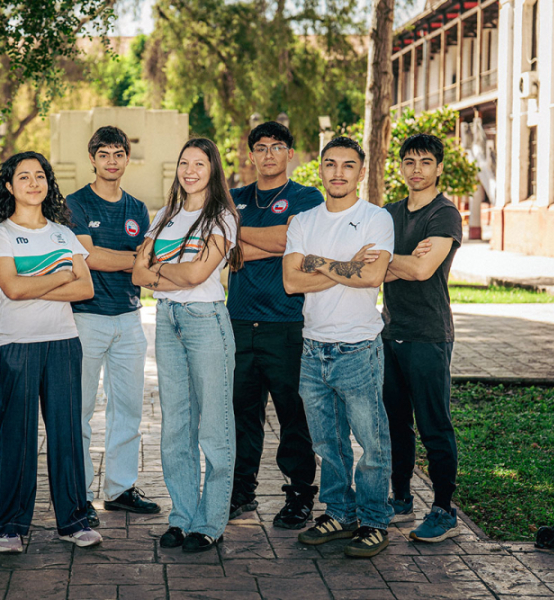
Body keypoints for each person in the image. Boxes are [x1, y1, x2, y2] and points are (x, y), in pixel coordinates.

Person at [0, 151, 102, 553]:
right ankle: (11, 526)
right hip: (17, 345)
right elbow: (12, 290)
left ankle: (73, 521)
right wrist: (61, 274)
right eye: (24, 177)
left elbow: (85, 289)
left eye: (40, 176)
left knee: (67, 434)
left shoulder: (63, 233)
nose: (33, 183)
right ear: (9, 185)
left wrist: (36, 278)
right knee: (16, 436)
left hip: (63, 343)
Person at [282, 136, 394, 558]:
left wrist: (317, 262)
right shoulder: (303, 221)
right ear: (321, 169)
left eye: (348, 165)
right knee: (327, 442)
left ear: (361, 172)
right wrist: (346, 265)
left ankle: (373, 520)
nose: (338, 172)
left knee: (370, 440)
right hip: (313, 347)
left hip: (358, 347)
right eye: (330, 164)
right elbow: (292, 281)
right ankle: (340, 513)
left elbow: (371, 277)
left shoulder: (376, 218)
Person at [132, 138, 241, 553]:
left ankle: (210, 522)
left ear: (213, 169)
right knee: (176, 426)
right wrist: (167, 273)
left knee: (214, 426)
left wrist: (160, 270)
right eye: (183, 162)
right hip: (168, 321)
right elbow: (137, 275)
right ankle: (181, 516)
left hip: (205, 322)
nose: (190, 170)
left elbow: (199, 275)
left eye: (199, 163)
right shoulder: (164, 215)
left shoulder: (223, 218)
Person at [226, 121, 322, 529]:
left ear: (290, 154)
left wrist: (241, 236)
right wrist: (273, 241)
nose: (268, 154)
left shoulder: (307, 197)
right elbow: (226, 250)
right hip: (238, 322)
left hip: (286, 323)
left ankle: (300, 494)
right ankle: (241, 491)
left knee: (292, 413)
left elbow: (294, 244)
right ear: (251, 155)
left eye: (277, 147)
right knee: (241, 413)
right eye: (261, 148)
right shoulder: (233, 198)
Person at [65, 126, 159, 528]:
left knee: (128, 409)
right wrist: (132, 259)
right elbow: (88, 258)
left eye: (118, 154)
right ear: (93, 159)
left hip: (129, 317)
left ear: (126, 158)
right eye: (104, 154)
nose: (112, 161)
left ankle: (120, 489)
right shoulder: (75, 203)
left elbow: (146, 261)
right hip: (86, 318)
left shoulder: (137, 207)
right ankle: (80, 494)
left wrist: (125, 259)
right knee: (80, 410)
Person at [375, 133, 462, 542]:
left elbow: (423, 271)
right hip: (391, 332)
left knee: (434, 426)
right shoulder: (388, 214)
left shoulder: (444, 214)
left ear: (439, 167)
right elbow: (370, 267)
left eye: (426, 162)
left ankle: (444, 510)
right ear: (401, 166)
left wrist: (389, 261)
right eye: (409, 161)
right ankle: (401, 498)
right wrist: (399, 262)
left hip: (429, 335)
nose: (417, 170)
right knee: (395, 425)